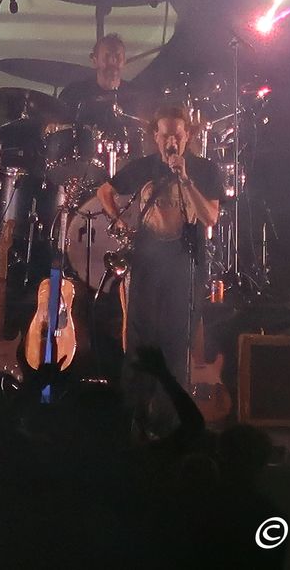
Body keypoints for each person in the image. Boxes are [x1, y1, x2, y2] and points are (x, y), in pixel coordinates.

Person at [94, 107, 223, 431]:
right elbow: (104, 191)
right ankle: (134, 418)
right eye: (165, 135)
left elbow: (210, 217)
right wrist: (119, 222)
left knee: (176, 342)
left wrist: (185, 178)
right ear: (156, 136)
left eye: (177, 134)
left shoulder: (205, 170)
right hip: (148, 262)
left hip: (186, 261)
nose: (171, 141)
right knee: (141, 339)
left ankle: (168, 423)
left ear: (187, 135)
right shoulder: (144, 167)